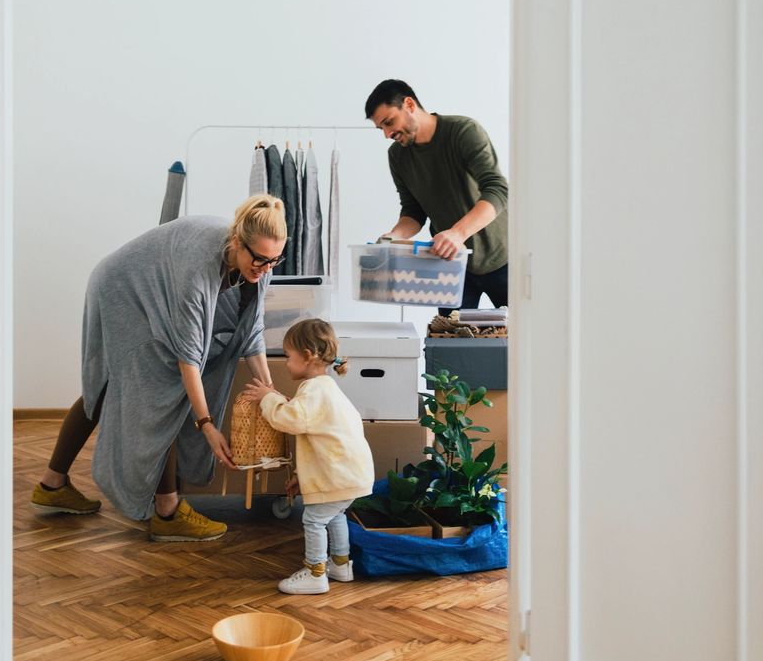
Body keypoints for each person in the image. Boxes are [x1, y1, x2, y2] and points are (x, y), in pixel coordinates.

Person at [31, 194, 287, 542]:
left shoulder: (261, 261)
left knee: (109, 389)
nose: (265, 268)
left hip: (151, 283)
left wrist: (270, 392)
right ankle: (167, 511)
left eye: (274, 261)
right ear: (237, 242)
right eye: (259, 259)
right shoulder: (197, 273)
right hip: (122, 290)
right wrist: (207, 425)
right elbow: (187, 358)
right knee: (162, 389)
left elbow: (251, 332)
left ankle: (52, 483)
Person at [243, 319, 375, 595]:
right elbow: (318, 441)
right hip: (350, 474)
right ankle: (341, 564)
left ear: (307, 356)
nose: (287, 363)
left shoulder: (313, 390)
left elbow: (290, 420)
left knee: (314, 520)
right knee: (336, 514)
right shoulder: (326, 389)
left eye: (289, 357)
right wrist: (300, 476)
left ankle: (316, 572)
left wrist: (268, 397)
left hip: (339, 474)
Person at [364, 79, 509, 310]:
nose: (388, 133)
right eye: (382, 128)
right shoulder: (398, 157)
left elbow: (498, 189)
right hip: (451, 265)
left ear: (409, 104)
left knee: (526, 340)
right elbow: (413, 211)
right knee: (447, 341)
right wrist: (393, 237)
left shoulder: (463, 131)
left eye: (389, 122)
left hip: (503, 258)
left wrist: (457, 233)